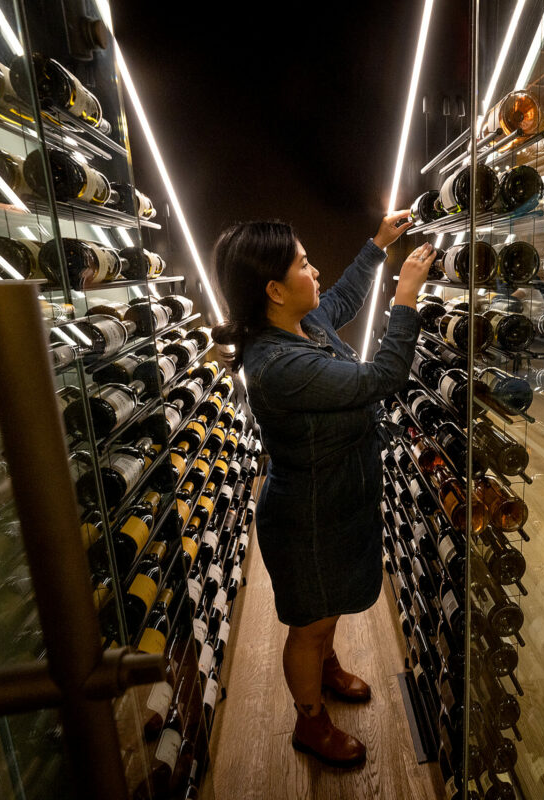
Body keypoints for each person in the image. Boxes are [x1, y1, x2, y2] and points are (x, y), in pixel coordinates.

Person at [211, 212, 435, 767]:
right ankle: (309, 723)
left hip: (334, 502)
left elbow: (342, 298)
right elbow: (379, 379)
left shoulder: (301, 326)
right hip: (308, 519)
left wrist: (379, 245)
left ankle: (327, 667)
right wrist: (404, 297)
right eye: (304, 264)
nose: (316, 271)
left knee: (325, 611)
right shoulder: (278, 365)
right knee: (308, 627)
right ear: (274, 290)